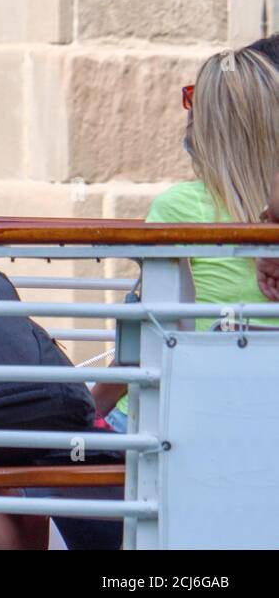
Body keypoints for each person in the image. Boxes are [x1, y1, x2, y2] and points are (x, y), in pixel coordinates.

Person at [93, 46, 279, 430]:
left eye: (192, 102)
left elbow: (139, 350)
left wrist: (82, 413)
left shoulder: (177, 210)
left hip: (175, 422)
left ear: (207, 127)